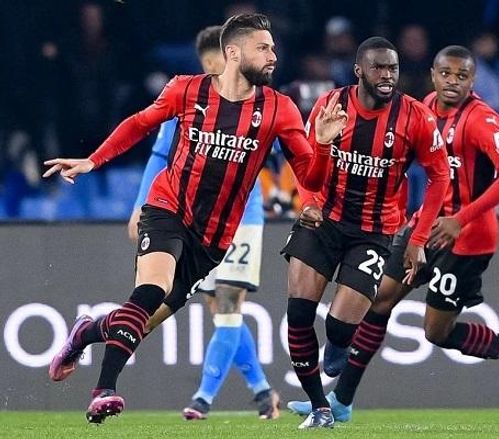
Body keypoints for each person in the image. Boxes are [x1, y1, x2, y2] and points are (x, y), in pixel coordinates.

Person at [44, 13, 347, 424]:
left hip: (213, 239)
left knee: (143, 321)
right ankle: (104, 390)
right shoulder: (186, 90)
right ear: (234, 52)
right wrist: (93, 160)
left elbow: (310, 177)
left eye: (273, 48)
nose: (273, 55)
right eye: (263, 47)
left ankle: (85, 332)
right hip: (167, 208)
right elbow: (140, 124)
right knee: (151, 290)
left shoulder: (280, 109)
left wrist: (323, 146)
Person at [286, 45, 499, 423]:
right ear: (432, 75)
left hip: (467, 238)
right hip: (424, 226)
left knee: (437, 332)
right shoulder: (425, 107)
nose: (452, 82)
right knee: (378, 302)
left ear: (473, 81)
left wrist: (460, 219)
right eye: (445, 74)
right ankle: (341, 401)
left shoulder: (482, 120)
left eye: (461, 76)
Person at [281, 36, 451, 429]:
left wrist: (418, 239)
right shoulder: (330, 105)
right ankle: (320, 406)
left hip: (374, 231)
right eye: (378, 67)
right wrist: (307, 202)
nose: (387, 75)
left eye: (392, 68)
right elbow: (307, 164)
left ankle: (339, 343)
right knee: (299, 313)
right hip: (324, 219)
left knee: (339, 326)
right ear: (359, 70)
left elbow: (440, 177)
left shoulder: (415, 117)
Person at [125, 25, 279, 421]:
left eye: (219, 65)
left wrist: (282, 190)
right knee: (222, 309)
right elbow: (160, 154)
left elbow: (281, 149)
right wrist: (141, 204)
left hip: (242, 217)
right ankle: (263, 392)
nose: (216, 73)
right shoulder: (190, 98)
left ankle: (202, 399)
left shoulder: (260, 102)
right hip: (196, 219)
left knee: (228, 303)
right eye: (209, 65)